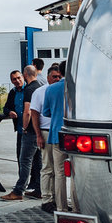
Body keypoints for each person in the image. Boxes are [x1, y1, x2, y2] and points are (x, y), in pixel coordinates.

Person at [1, 65, 42, 201]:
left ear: (24, 76)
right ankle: (39, 188)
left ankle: (19, 190)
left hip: (28, 131)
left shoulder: (29, 90)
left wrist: (24, 128)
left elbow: (28, 111)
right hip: (32, 130)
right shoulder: (15, 92)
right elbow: (6, 107)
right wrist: (9, 112)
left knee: (25, 160)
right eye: (14, 79)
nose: (17, 80)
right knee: (34, 160)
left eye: (19, 77)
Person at [32, 65, 63, 212]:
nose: (57, 79)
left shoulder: (60, 90)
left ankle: (58, 200)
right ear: (48, 76)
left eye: (59, 77)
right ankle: (46, 199)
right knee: (47, 168)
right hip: (45, 132)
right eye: (54, 76)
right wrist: (38, 135)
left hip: (58, 133)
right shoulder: (40, 92)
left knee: (59, 170)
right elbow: (34, 114)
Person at [42, 68, 68, 211]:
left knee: (59, 173)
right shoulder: (75, 86)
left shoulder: (51, 89)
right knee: (76, 173)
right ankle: (77, 208)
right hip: (74, 134)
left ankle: (61, 207)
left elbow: (46, 112)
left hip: (56, 134)